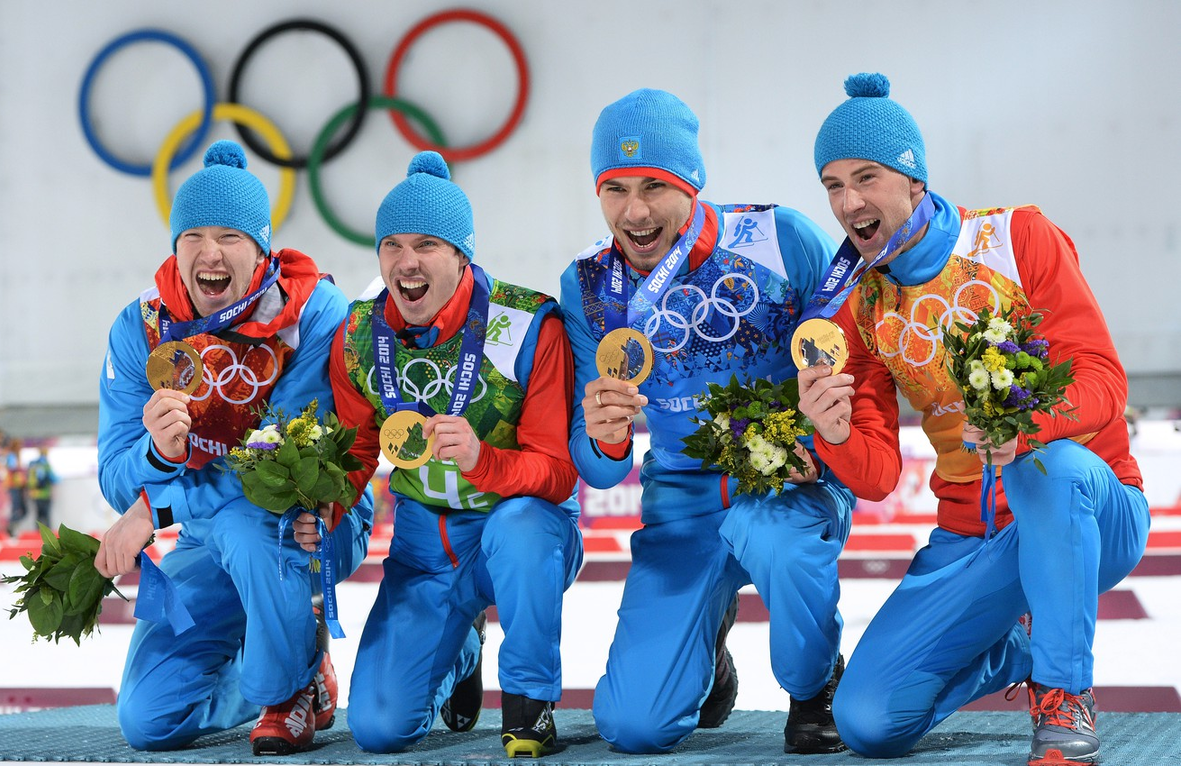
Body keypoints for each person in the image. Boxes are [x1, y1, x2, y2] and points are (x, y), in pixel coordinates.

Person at [799, 73, 1149, 766]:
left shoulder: (1018, 236)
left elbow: (1104, 382)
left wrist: (1028, 429)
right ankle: (1016, 644)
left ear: (913, 179)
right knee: (868, 721)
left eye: (865, 177)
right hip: (973, 536)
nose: (848, 202)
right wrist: (832, 433)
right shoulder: (858, 304)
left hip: (1089, 507)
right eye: (832, 186)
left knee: (1047, 467)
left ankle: (1064, 692)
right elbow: (876, 478)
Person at [560, 88, 856, 755]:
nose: (633, 213)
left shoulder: (781, 239)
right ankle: (707, 655)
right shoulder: (586, 286)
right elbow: (598, 464)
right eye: (614, 188)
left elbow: (854, 368)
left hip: (787, 485)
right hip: (682, 507)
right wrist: (604, 433)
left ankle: (814, 687)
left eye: (655, 187)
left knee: (777, 539)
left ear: (692, 184)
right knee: (632, 729)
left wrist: (818, 443)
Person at [95, 140, 374, 756]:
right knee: (149, 722)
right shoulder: (139, 329)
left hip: (309, 512)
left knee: (254, 530)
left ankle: (292, 686)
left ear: (262, 248)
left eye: (230, 236)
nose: (209, 252)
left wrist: (154, 509)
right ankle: (269, 665)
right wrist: (158, 457)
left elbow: (278, 463)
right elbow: (115, 474)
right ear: (175, 246)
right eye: (192, 235)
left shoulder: (313, 312)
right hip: (205, 529)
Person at [309, 151, 582, 758]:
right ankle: (462, 649)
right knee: (380, 730)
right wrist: (322, 508)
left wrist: (484, 459)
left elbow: (560, 474)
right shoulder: (357, 334)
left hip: (520, 529)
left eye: (427, 245)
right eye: (392, 246)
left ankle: (529, 705)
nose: (406, 263)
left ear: (462, 256)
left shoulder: (527, 324)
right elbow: (354, 449)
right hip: (424, 545)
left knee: (521, 529)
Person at [26, 447, 57, 526]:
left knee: (38, 517)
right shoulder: (46, 464)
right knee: (46, 517)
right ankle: (48, 536)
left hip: (35, 494)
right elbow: (53, 479)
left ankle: (38, 535)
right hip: (45, 494)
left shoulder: (33, 464)